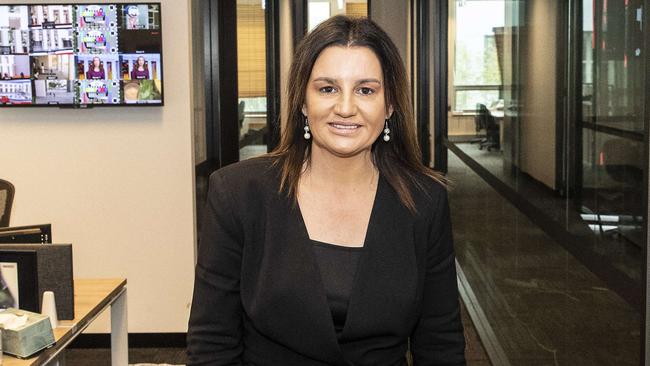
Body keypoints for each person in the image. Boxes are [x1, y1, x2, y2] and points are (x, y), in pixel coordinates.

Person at [187, 15, 466, 365]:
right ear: (303, 101)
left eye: (366, 90)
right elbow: (213, 344)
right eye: (327, 88)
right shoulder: (237, 193)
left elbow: (440, 344)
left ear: (390, 105)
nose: (346, 108)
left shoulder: (425, 200)